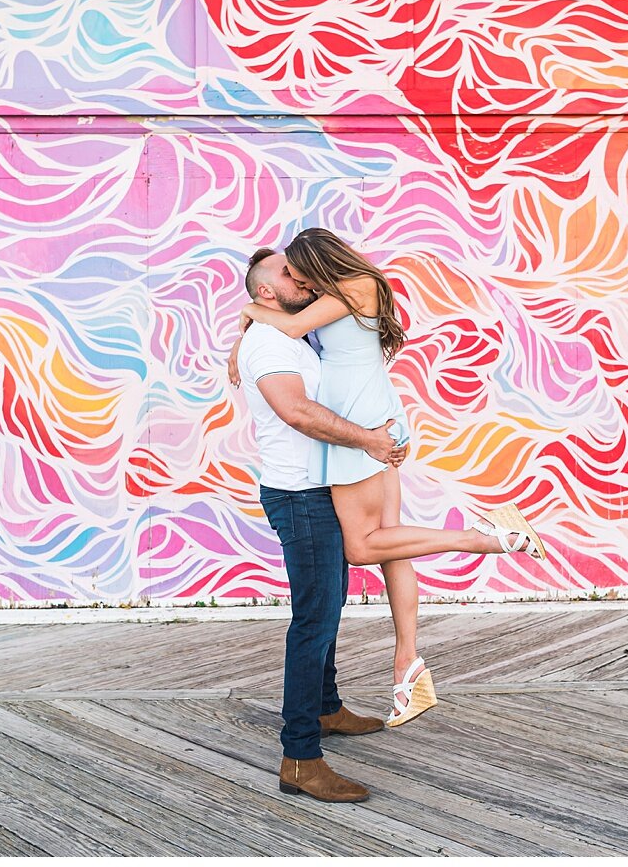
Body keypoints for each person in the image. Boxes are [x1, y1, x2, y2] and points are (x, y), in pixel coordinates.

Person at [230, 229, 546, 730]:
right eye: (288, 274)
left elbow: (288, 329)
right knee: (391, 546)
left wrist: (248, 315)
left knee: (361, 548)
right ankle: (407, 666)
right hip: (371, 413)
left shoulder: (355, 288)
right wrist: (245, 333)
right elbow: (288, 334)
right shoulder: (339, 295)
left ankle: (487, 538)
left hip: (362, 421)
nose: (299, 280)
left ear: (317, 262)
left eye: (297, 269)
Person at [236, 247, 406, 803]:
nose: (299, 277)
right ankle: (301, 758)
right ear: (266, 292)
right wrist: (369, 441)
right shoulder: (267, 342)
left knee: (329, 603)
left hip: (323, 487)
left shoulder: (291, 333)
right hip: (299, 497)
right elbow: (299, 413)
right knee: (314, 620)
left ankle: (327, 708)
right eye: (287, 273)